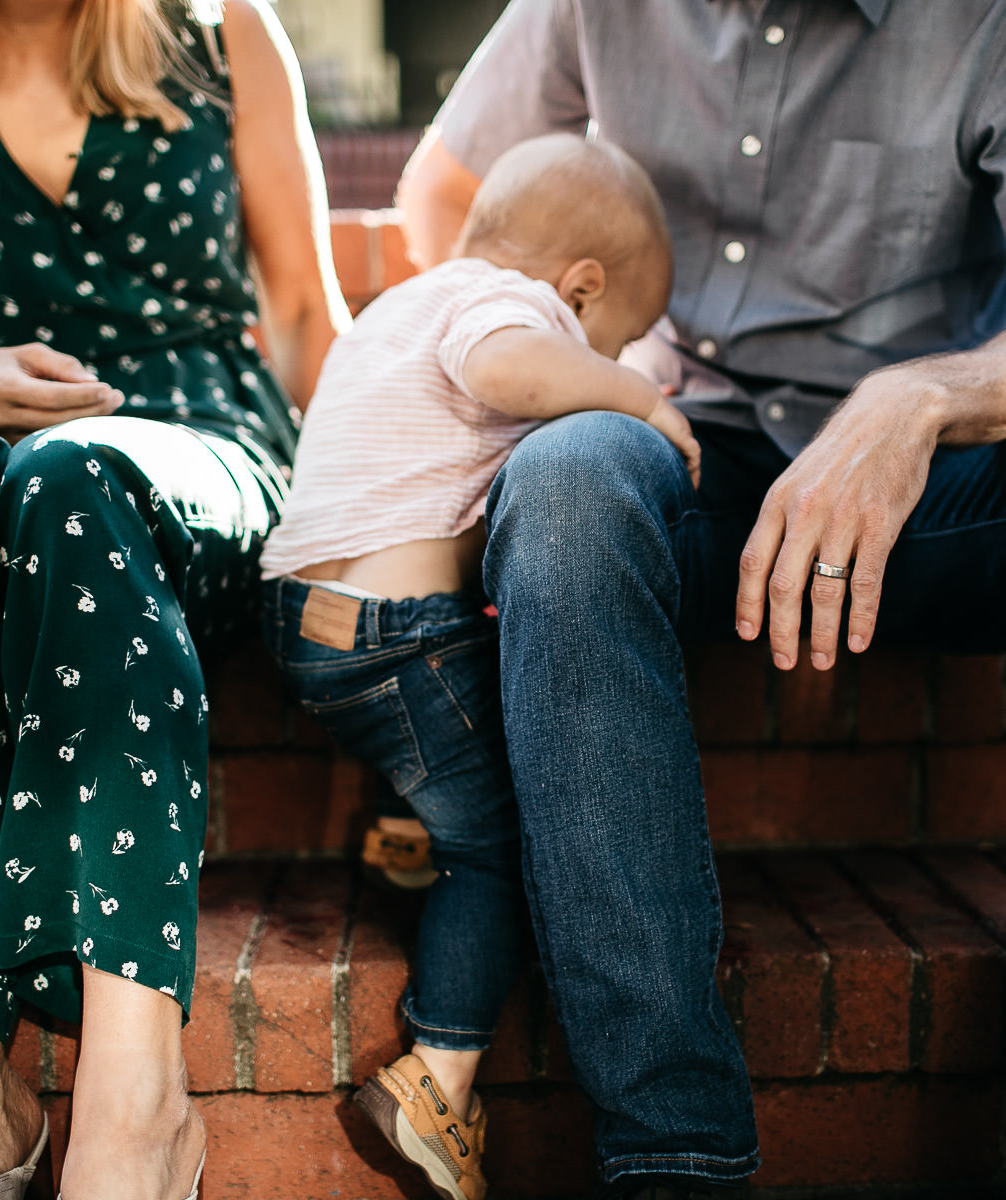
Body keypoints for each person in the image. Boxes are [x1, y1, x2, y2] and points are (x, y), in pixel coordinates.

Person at [397, 2, 1006, 1199]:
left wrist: (917, 401)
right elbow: (443, 194)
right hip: (686, 445)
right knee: (560, 481)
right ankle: (673, 1159)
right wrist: (547, 359)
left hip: (944, 472)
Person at [0, 0, 347, 1194]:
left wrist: (367, 529)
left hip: (196, 454)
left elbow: (302, 314)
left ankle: (137, 1108)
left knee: (72, 472)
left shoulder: (220, 26)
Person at [259, 134, 694, 1200]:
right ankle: (438, 1077)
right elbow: (508, 367)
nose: (606, 359)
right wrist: (635, 399)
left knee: (475, 670)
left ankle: (412, 819)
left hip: (300, 620)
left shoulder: (408, 302)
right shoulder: (512, 308)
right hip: (388, 638)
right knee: (500, 848)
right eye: (615, 337)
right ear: (578, 287)